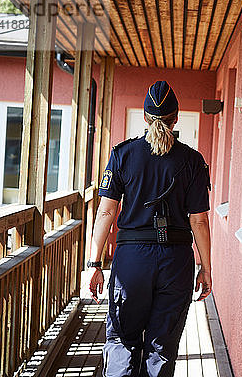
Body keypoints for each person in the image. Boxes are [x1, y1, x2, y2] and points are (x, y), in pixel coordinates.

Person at [87, 81, 212, 377]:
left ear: (145, 117)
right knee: (161, 348)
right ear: (176, 117)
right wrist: (206, 268)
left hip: (131, 261)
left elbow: (106, 211)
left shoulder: (123, 155)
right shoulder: (193, 161)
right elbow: (199, 221)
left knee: (122, 341)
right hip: (175, 262)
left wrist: (94, 263)